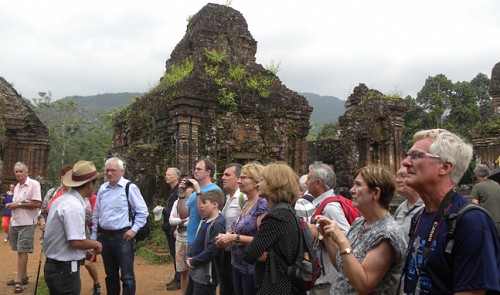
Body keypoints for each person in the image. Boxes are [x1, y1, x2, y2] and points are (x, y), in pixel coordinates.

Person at [402, 129, 500, 294]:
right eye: (408, 155)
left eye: (416, 155)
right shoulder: (418, 217)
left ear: (445, 167)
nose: (405, 162)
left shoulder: (472, 222)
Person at [315, 165, 407, 294]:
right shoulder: (359, 223)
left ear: (375, 193)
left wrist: (342, 241)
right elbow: (343, 267)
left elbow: (363, 286)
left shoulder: (387, 234)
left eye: (358, 185)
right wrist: (327, 237)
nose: (352, 190)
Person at [43, 160, 103, 295]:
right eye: (94, 183)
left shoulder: (63, 200)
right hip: (64, 270)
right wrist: (96, 244)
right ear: (89, 185)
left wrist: (84, 251)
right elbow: (76, 241)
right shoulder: (74, 206)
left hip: (57, 267)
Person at [91, 157, 149, 295]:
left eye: (113, 170)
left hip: (123, 237)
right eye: (107, 171)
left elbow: (143, 212)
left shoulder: (129, 187)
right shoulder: (102, 189)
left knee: (127, 276)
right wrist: (94, 236)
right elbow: (96, 214)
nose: (109, 173)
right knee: (110, 275)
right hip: (105, 237)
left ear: (121, 171)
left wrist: (133, 230)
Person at [243, 162, 302, 294]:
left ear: (274, 183)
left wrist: (260, 249)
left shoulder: (277, 216)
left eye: (262, 180)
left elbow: (249, 254)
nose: (258, 184)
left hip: (276, 286)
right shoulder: (287, 211)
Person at [216, 162, 268, 295]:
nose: (239, 181)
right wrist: (227, 238)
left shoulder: (262, 204)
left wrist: (233, 237)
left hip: (252, 268)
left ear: (257, 181)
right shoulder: (245, 202)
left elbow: (262, 239)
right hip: (237, 264)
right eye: (239, 177)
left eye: (244, 177)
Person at [306, 161, 350, 295]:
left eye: (308, 179)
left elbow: (347, 237)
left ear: (318, 183)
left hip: (328, 279)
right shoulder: (323, 204)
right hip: (322, 275)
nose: (306, 182)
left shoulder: (330, 208)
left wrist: (319, 234)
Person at [5, 162, 42, 293]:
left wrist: (18, 204)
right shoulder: (16, 187)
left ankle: (19, 280)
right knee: (19, 250)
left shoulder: (34, 184)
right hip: (15, 222)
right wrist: (12, 204)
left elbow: (37, 203)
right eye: (16, 172)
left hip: (27, 222)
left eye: (21, 171)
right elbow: (17, 203)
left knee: (22, 250)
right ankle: (24, 276)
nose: (18, 174)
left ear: (27, 172)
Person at [185, 190, 226, 295]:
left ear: (215, 205)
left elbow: (212, 250)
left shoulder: (218, 224)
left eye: (204, 202)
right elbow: (195, 242)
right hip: (195, 273)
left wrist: (194, 261)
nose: (201, 206)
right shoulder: (204, 221)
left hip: (206, 276)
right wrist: (188, 256)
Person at [219, 163, 245, 295]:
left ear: (238, 178)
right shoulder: (228, 197)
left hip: (239, 253)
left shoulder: (242, 198)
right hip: (228, 253)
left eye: (227, 175)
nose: (223, 177)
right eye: (223, 174)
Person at [39, 164, 73, 234]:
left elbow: (87, 217)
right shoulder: (52, 192)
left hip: (68, 235)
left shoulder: (77, 194)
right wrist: (43, 223)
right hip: (49, 234)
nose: (65, 177)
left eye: (68, 175)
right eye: (63, 175)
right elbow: (43, 212)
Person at [394, 166, 424, 243]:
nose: (397, 180)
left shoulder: (427, 208)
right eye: (397, 176)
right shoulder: (401, 207)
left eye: (403, 176)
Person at [163, 167, 181, 291]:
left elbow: (180, 210)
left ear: (176, 177)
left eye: (169, 174)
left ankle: (180, 279)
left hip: (175, 226)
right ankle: (177, 277)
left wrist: (177, 227)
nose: (166, 176)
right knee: (174, 253)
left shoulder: (179, 191)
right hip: (170, 226)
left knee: (177, 254)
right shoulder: (172, 191)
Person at [471, 164, 500, 235]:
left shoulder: (477, 186)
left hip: (487, 220)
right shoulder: (497, 184)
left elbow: (475, 205)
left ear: (478, 174)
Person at [169, 196, 190, 294]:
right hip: (180, 240)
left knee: (193, 271)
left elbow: (192, 221)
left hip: (191, 240)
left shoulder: (195, 201)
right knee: (183, 272)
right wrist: (180, 221)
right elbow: (171, 220)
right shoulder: (177, 202)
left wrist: (180, 220)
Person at [84, 192, 101, 295]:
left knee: (88, 263)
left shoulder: (94, 198)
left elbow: (92, 218)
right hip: (78, 233)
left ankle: (96, 284)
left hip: (89, 233)